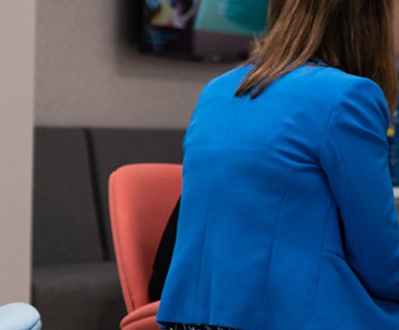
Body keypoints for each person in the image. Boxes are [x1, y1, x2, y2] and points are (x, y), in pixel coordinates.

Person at [158, 0, 399, 328]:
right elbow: (382, 265)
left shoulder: (216, 90)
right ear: (370, 21)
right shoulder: (348, 95)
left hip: (188, 321)